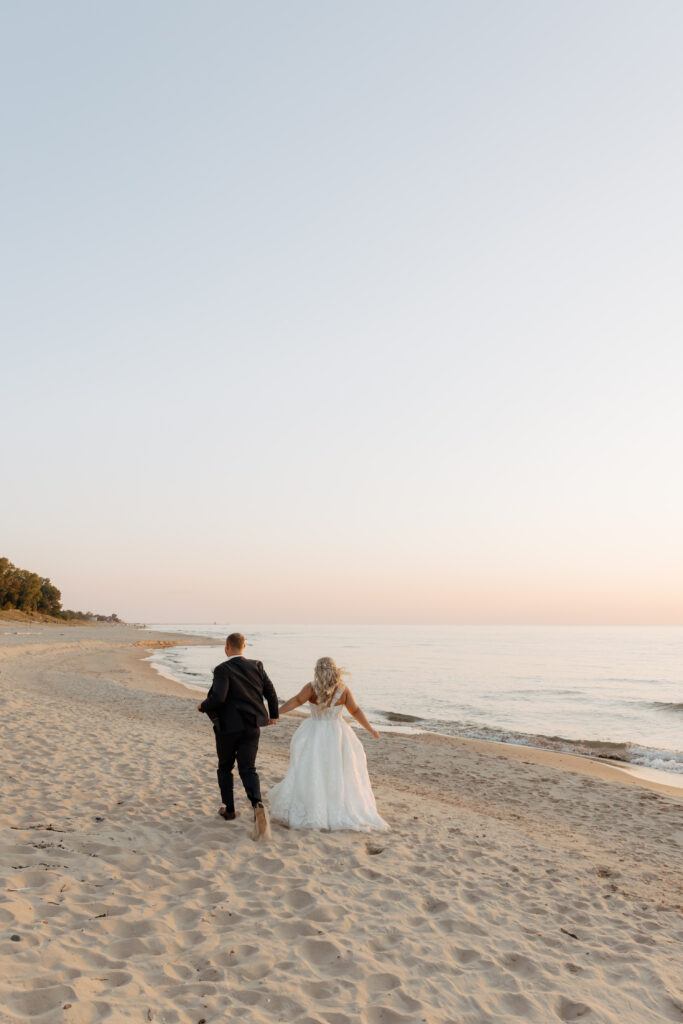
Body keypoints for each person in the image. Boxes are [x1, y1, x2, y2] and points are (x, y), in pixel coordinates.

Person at [268, 656, 388, 832]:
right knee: (336, 771)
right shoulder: (343, 690)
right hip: (337, 734)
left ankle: (314, 807)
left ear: (317, 671)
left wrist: (276, 713)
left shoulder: (311, 687)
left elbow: (296, 701)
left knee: (313, 769)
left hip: (314, 732)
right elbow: (355, 711)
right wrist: (370, 729)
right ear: (335, 670)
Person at [197, 632, 279, 838]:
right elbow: (270, 692)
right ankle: (257, 805)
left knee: (225, 767)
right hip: (252, 726)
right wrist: (273, 715)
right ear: (244, 647)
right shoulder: (257, 665)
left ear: (227, 647)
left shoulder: (222, 669)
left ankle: (230, 810)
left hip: (228, 728)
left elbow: (219, 697)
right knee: (248, 768)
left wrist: (202, 706)